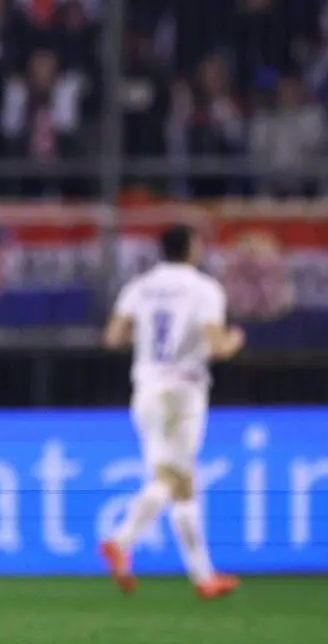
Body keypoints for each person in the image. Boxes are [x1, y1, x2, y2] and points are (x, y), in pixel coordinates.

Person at [99, 225, 245, 600]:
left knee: (182, 483)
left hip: (147, 389)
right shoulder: (205, 288)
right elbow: (216, 348)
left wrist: (145, 338)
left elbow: (113, 337)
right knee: (173, 477)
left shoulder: (139, 286)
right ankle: (122, 539)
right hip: (184, 390)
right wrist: (234, 340)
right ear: (192, 247)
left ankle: (203, 577)